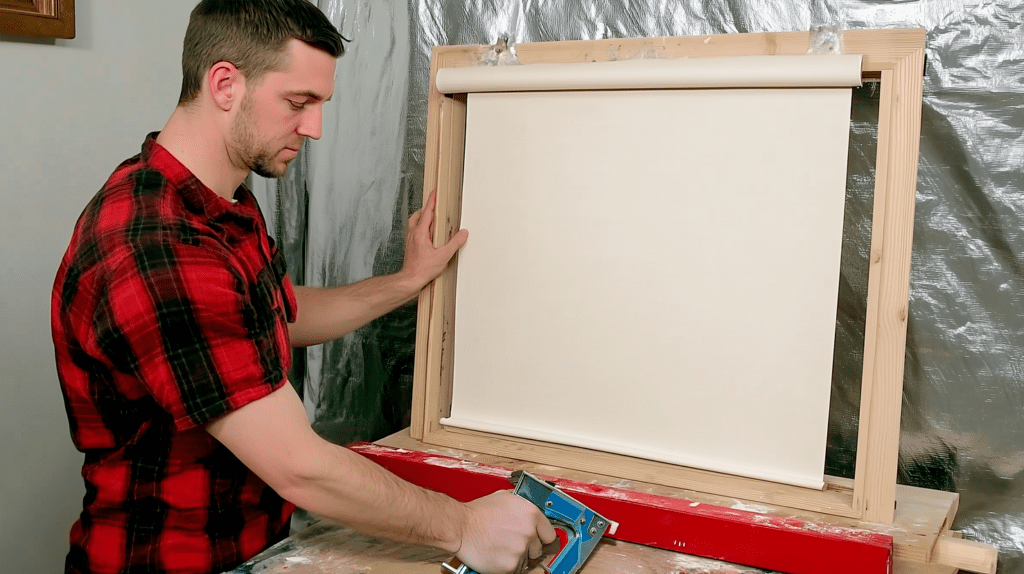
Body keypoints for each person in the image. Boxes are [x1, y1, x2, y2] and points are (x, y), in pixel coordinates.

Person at [51, 1, 555, 573]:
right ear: (224, 83)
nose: (313, 127)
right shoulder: (158, 245)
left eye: (320, 104)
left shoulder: (218, 203)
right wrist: (463, 526)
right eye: (298, 102)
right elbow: (299, 466)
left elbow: (275, 318)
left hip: (255, 548)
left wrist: (406, 282)